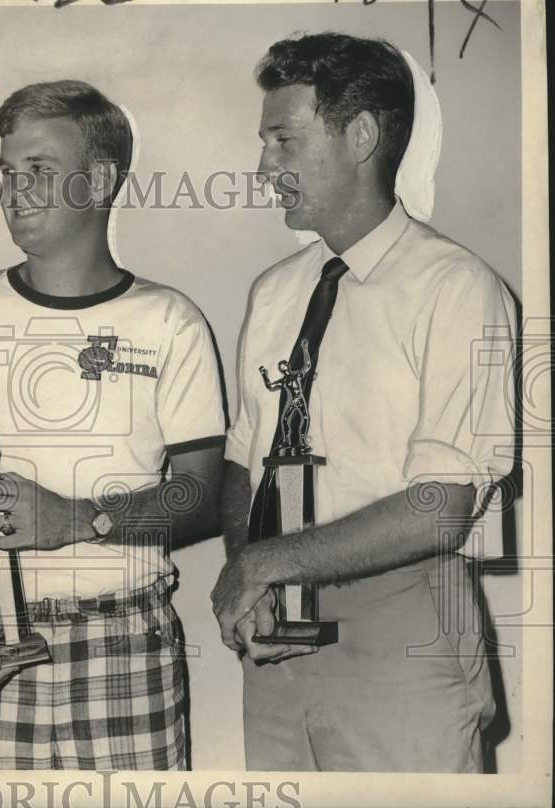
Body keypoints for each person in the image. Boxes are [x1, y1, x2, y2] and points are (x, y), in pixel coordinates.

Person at [210, 33, 517, 772]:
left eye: (284, 139)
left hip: (404, 630)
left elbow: (440, 507)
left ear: (362, 136)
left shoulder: (455, 288)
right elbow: (242, 466)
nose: (265, 167)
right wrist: (247, 572)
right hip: (278, 640)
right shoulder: (275, 291)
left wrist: (267, 562)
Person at [0, 80, 226, 770]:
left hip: (128, 646)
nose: (16, 191)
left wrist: (82, 519)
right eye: (9, 172)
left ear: (100, 180)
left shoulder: (171, 322)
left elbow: (204, 494)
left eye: (40, 171)